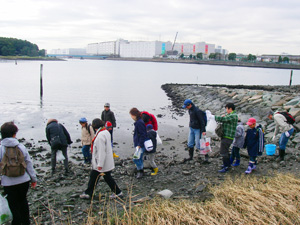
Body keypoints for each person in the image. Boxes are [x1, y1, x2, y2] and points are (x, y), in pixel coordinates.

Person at [0, 122, 37, 225]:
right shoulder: (21, 146)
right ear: (14, 134)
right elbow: (28, 163)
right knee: (23, 201)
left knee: (13, 204)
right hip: (23, 180)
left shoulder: (1, 148)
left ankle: (16, 222)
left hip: (8, 183)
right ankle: (26, 222)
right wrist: (33, 179)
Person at [80, 118, 122, 199]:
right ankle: (89, 192)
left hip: (101, 162)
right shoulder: (105, 132)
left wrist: (100, 164)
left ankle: (117, 192)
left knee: (100, 177)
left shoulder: (100, 136)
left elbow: (101, 151)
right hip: (106, 161)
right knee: (100, 177)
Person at [211, 103, 238, 173]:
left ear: (230, 109)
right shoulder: (230, 115)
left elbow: (224, 119)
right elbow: (224, 119)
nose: (226, 110)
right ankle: (227, 165)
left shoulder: (233, 116)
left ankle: (226, 167)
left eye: (227, 109)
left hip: (228, 137)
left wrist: (213, 117)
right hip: (226, 136)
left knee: (223, 151)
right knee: (225, 150)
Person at [130, 107, 147, 179]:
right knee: (139, 158)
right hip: (138, 144)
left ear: (134, 115)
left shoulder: (139, 123)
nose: (131, 117)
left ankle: (140, 171)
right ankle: (140, 170)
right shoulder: (139, 122)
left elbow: (143, 134)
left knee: (136, 159)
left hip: (140, 145)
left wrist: (139, 144)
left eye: (131, 115)